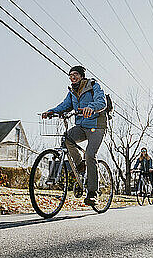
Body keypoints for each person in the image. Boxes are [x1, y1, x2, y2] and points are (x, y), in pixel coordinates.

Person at [42, 66, 107, 206]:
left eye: (75, 74)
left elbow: (102, 102)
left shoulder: (93, 85)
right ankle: (80, 165)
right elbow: (64, 105)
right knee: (66, 139)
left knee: (90, 154)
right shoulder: (72, 92)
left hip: (97, 125)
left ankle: (92, 193)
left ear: (82, 76)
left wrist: (92, 107)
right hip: (82, 126)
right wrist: (51, 112)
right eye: (70, 75)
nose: (72, 77)